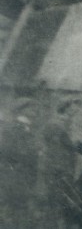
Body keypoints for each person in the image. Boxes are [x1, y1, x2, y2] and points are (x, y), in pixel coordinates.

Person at [39, 99, 82, 229]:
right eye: (73, 109)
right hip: (60, 168)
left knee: (61, 200)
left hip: (59, 167)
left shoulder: (57, 123)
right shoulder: (59, 125)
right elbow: (69, 145)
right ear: (66, 109)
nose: (75, 111)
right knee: (60, 200)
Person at [0, 97, 38, 228]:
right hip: (15, 175)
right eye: (32, 108)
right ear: (23, 110)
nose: (35, 111)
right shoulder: (13, 128)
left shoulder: (28, 127)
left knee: (22, 210)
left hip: (25, 175)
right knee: (13, 210)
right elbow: (7, 151)